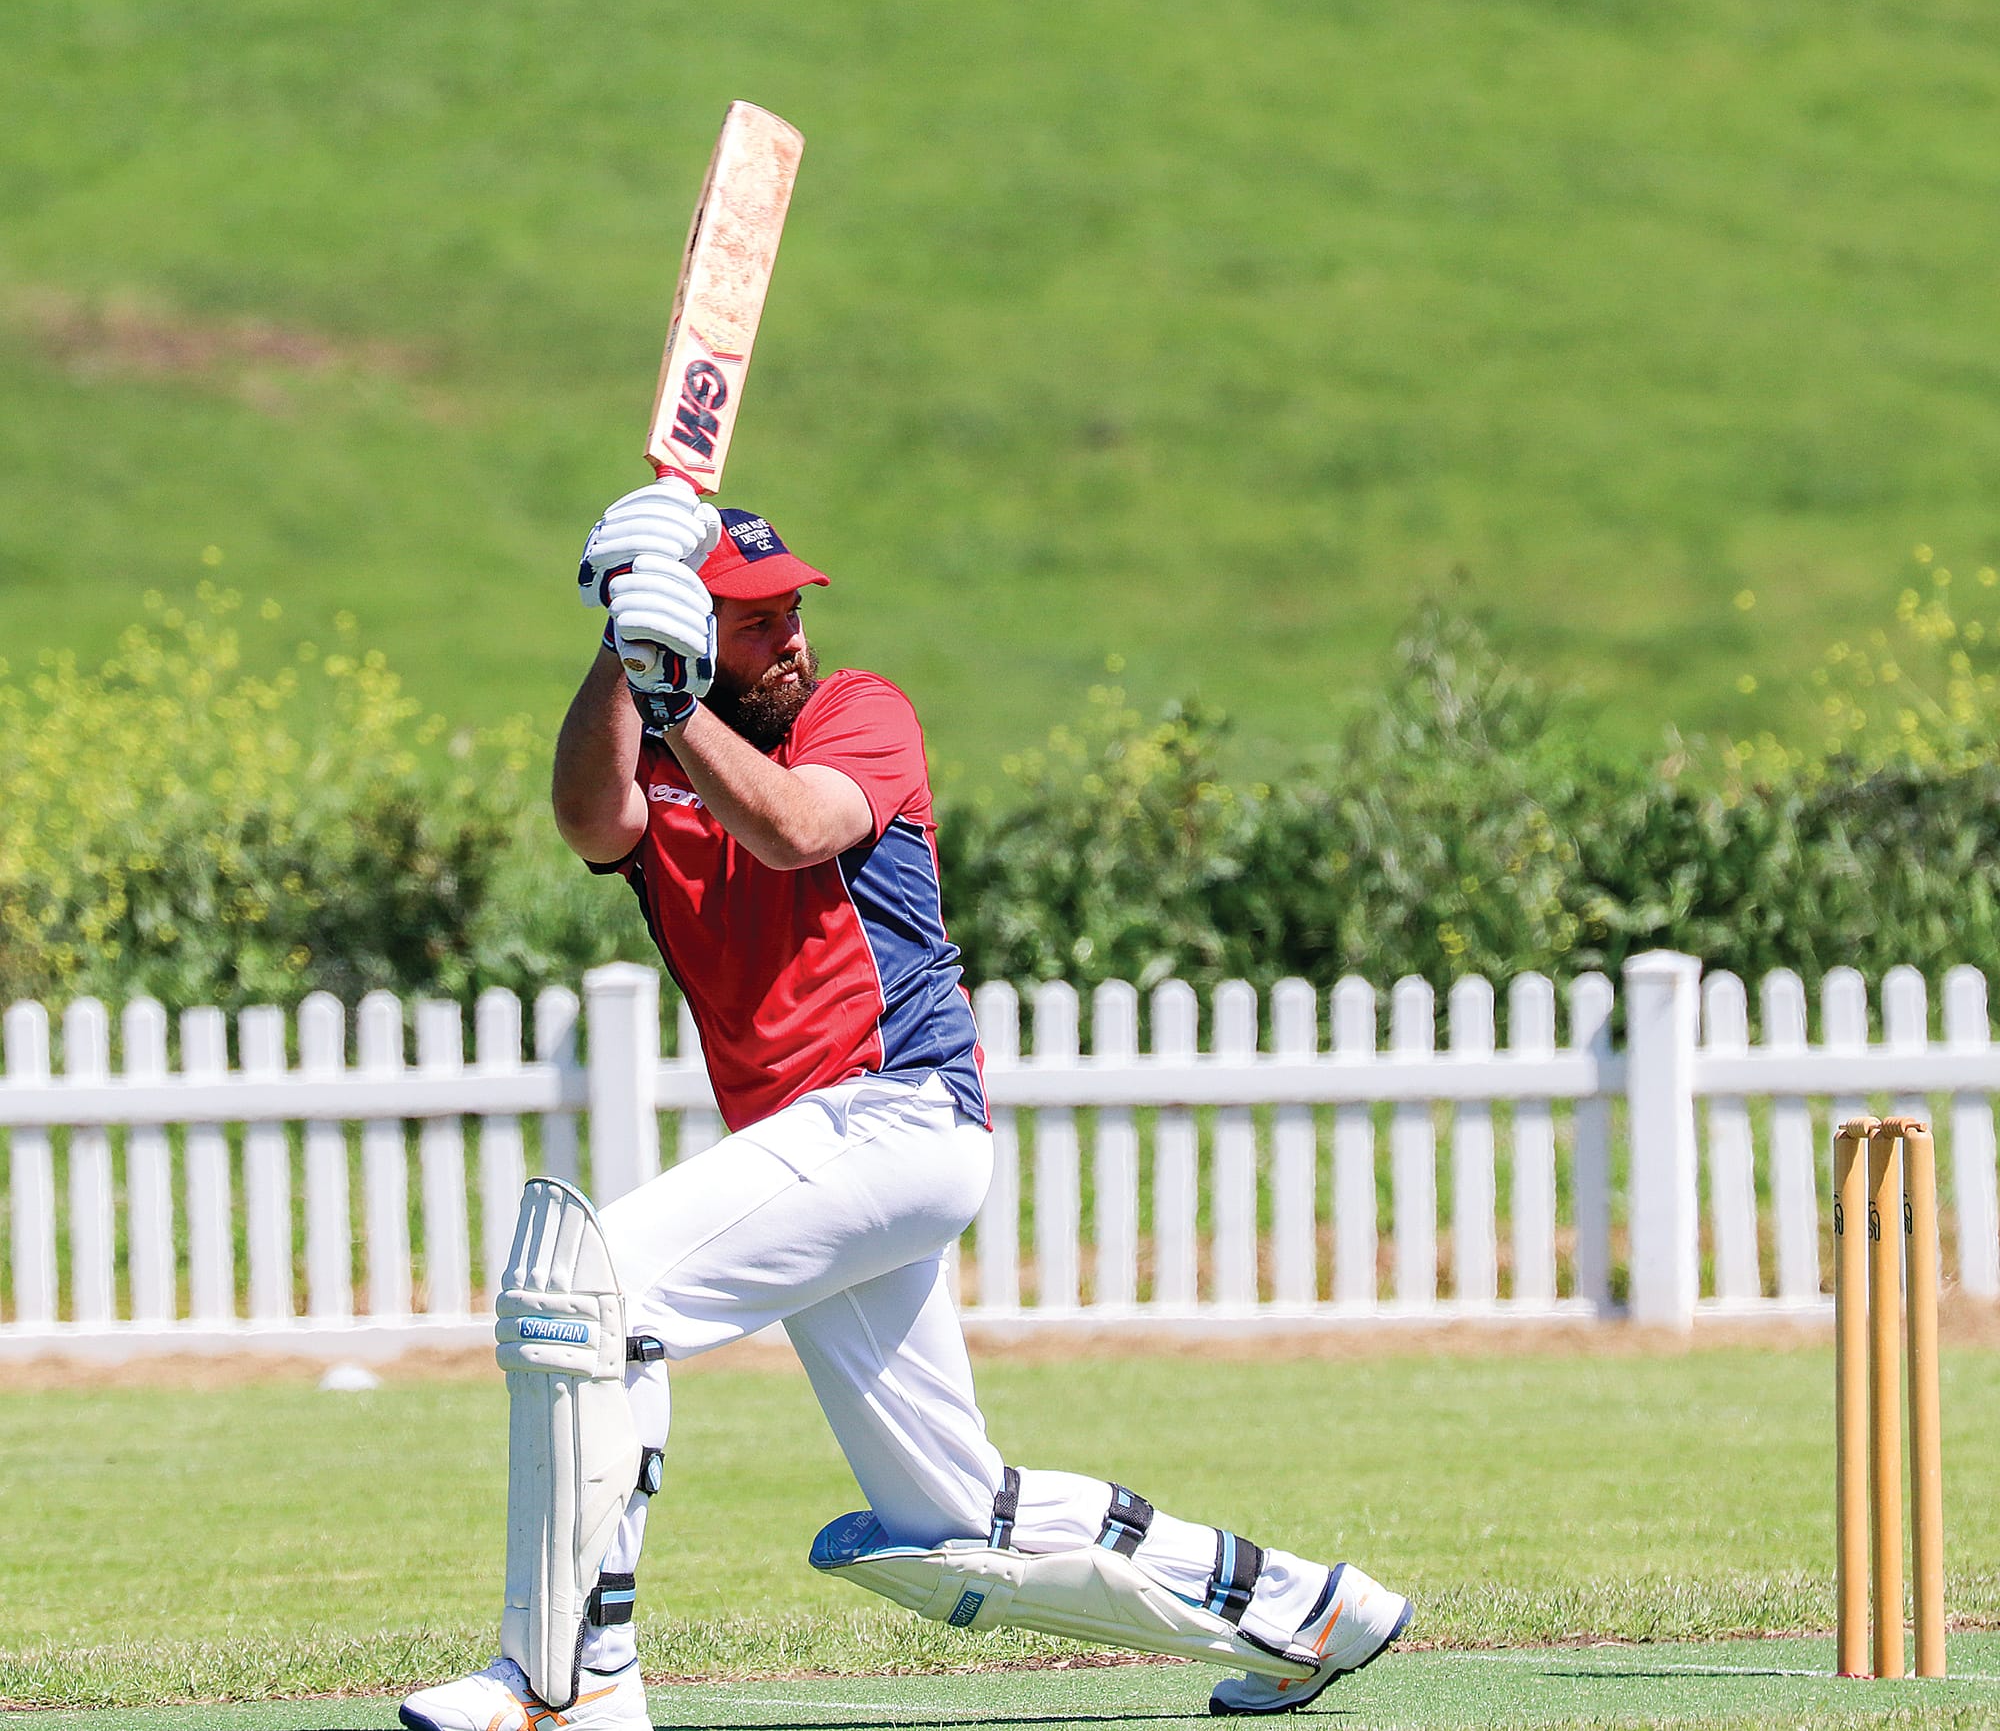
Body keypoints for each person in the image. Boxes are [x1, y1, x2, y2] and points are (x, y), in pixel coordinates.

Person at [399, 481, 1411, 1731]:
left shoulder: (858, 712)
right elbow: (585, 818)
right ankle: (1310, 1612)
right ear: (696, 634)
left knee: (590, 1291)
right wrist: (621, 645)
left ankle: (568, 1682)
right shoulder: (655, 756)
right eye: (754, 621)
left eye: (789, 612)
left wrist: (672, 701)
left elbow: (792, 829)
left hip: (898, 1116)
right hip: (819, 1151)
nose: (790, 638)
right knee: (952, 1522)